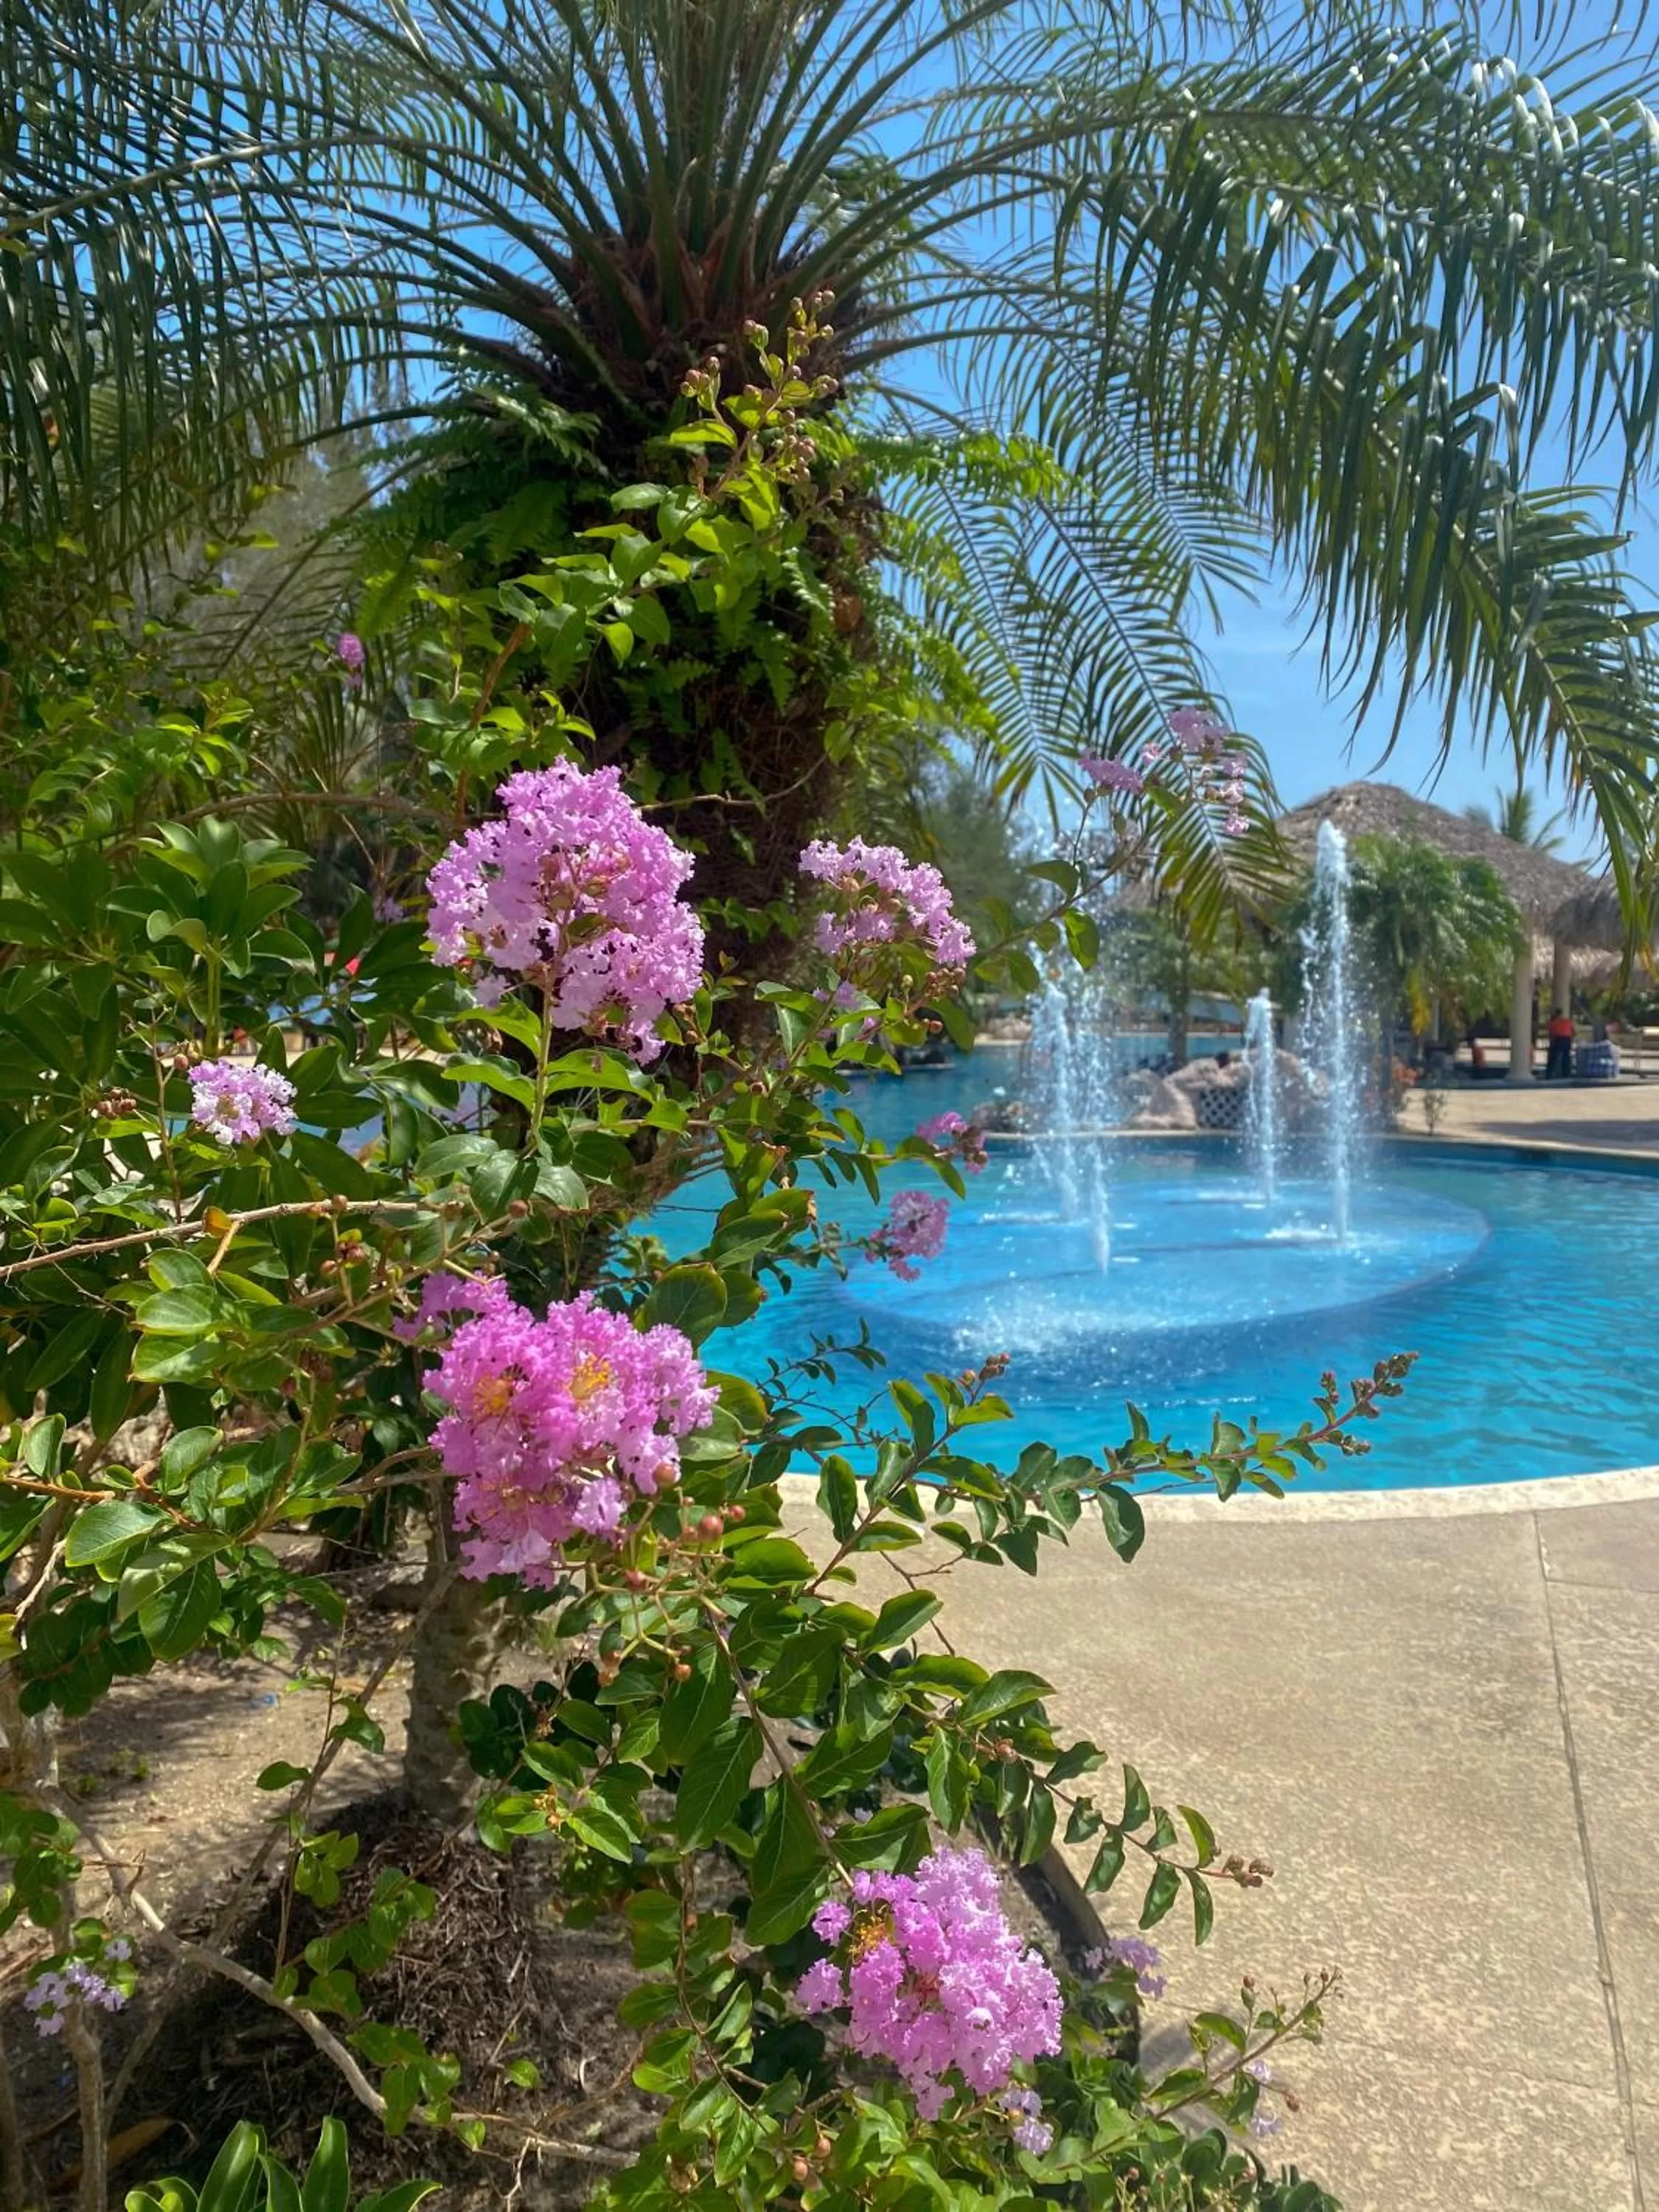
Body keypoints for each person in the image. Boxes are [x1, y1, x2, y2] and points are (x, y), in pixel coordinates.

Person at [1546, 1007, 1575, 1080]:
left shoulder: (1553, 1022)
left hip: (1558, 1039)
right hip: (1567, 1039)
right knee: (1566, 1057)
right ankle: (1566, 1074)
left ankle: (1549, 1074)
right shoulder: (1568, 1021)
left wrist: (1552, 1042)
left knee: (1553, 1057)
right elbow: (1574, 1032)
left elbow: (1551, 1033)